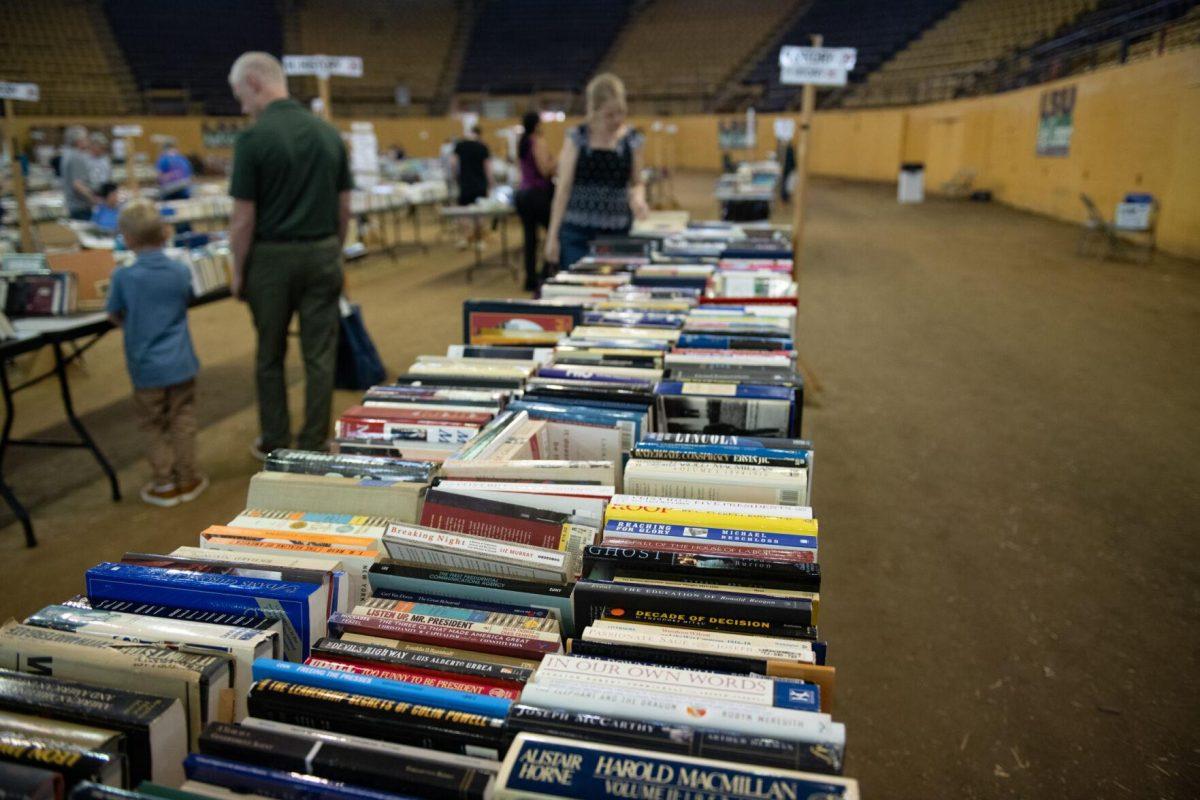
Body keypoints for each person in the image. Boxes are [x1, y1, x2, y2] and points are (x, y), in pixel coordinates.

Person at [228, 51, 353, 458]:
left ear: (256, 83)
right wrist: (334, 250)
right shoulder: (328, 134)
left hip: (271, 260)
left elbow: (243, 218)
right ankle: (315, 440)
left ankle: (275, 440)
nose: (242, 106)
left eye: (240, 95)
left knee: (270, 353)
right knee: (319, 354)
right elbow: (344, 206)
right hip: (322, 251)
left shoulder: (253, 139)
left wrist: (237, 269)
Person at [106, 200, 206, 507]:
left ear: (127, 239)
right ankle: (188, 477)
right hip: (181, 360)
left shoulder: (124, 277)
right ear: (165, 234)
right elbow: (186, 300)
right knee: (183, 418)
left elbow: (113, 313)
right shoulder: (179, 270)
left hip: (145, 365)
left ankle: (164, 483)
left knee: (152, 423)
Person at [545, 73, 648, 269]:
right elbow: (563, 188)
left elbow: (637, 181)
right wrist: (553, 236)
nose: (617, 120)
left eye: (621, 112)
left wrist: (639, 198)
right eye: (609, 114)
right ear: (594, 111)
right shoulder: (577, 137)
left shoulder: (632, 139)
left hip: (617, 232)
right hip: (577, 234)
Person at [514, 111, 555, 290]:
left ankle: (530, 278)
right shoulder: (537, 141)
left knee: (530, 239)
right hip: (537, 194)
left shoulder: (521, 143)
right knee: (553, 232)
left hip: (523, 194)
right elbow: (544, 169)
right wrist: (557, 162)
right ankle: (545, 272)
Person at [451, 125, 492, 248]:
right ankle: (479, 240)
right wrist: (490, 183)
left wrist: (456, 178)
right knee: (479, 212)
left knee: (463, 211)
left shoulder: (460, 146)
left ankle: (465, 237)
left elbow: (453, 164)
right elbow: (488, 167)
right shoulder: (483, 147)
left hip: (465, 183)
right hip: (480, 184)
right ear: (479, 135)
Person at [60, 126, 98, 221]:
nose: (88, 141)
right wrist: (94, 199)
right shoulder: (76, 157)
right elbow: (77, 184)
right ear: (78, 141)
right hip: (81, 206)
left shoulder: (67, 155)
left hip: (72, 204)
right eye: (86, 138)